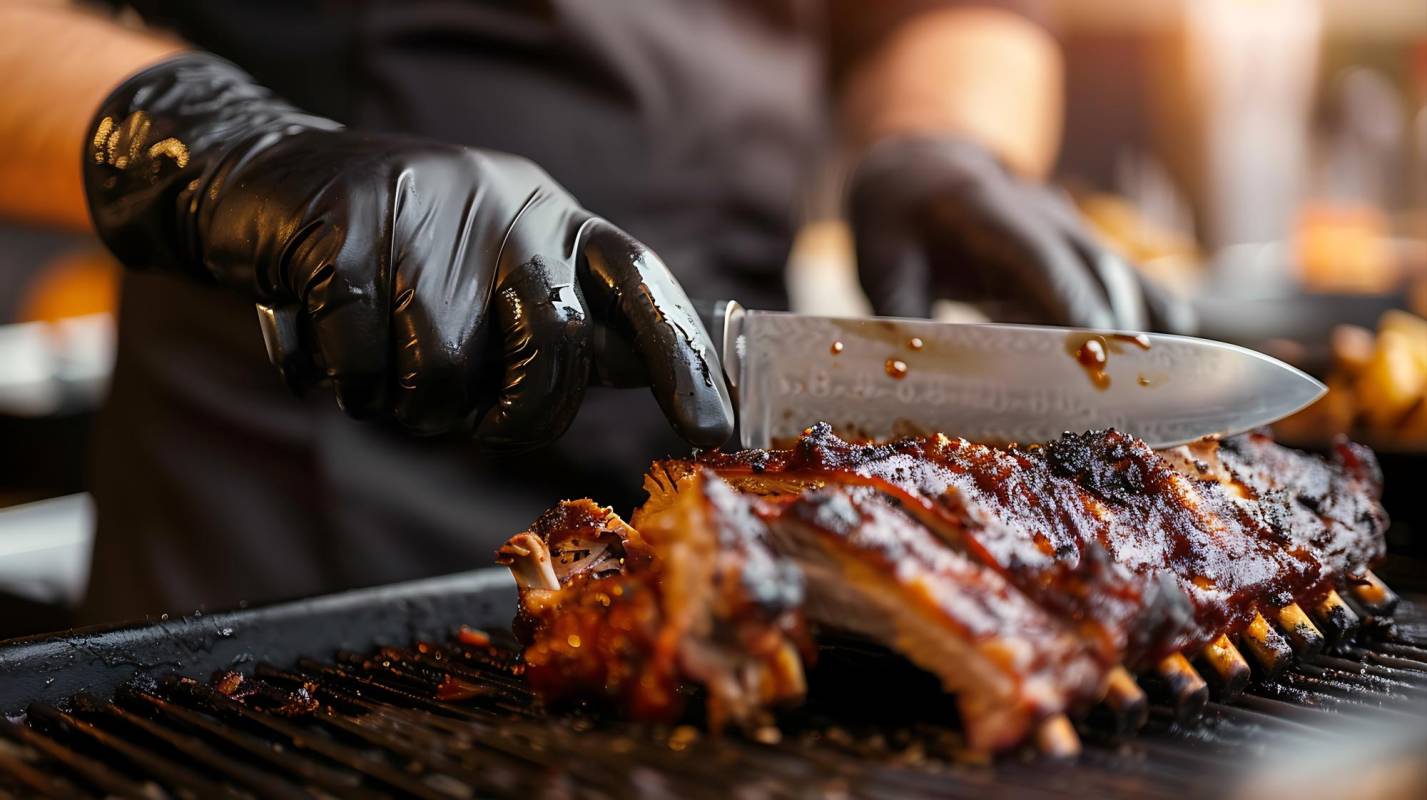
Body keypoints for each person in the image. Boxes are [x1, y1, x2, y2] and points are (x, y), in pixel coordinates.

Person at [0, 0, 1190, 622]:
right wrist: (222, 149)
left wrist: (944, 142)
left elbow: (941, 9)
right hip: (296, 495)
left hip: (735, 506)